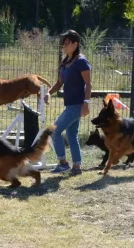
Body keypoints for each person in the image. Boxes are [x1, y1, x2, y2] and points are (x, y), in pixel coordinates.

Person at [44, 29, 92, 175]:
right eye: (63, 43)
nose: (64, 45)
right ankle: (76, 167)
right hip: (70, 104)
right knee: (71, 136)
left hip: (77, 105)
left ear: (76, 44)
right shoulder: (65, 62)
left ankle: (63, 163)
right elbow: (59, 83)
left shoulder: (81, 61)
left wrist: (86, 103)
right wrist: (48, 92)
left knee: (55, 131)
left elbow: (88, 84)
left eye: (67, 43)